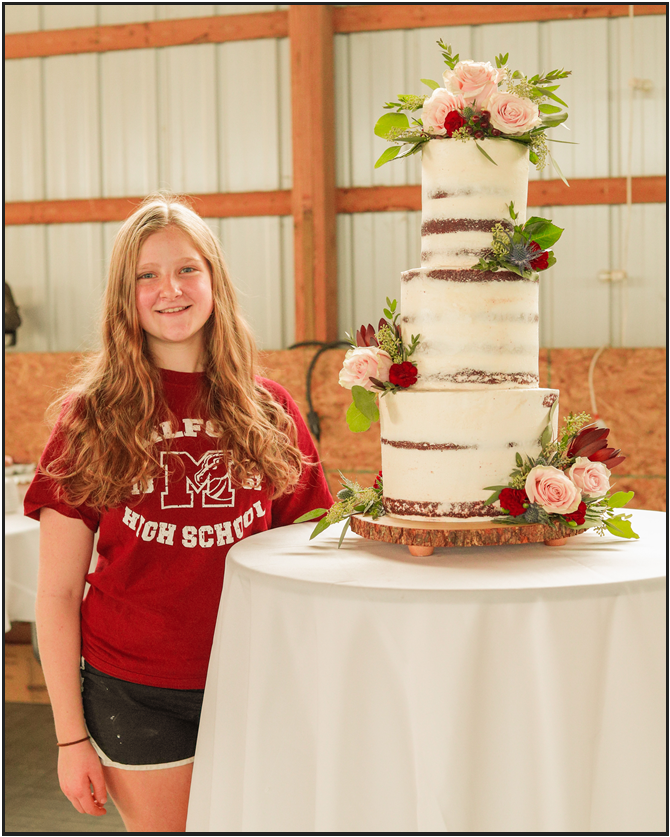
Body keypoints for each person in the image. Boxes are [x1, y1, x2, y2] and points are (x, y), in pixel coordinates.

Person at [24, 193, 333, 833]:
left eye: (187, 269)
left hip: (256, 679)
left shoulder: (268, 410)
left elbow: (311, 556)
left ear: (214, 280)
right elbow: (55, 594)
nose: (170, 289)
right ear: (124, 296)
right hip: (136, 690)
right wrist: (69, 738)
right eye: (147, 275)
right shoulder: (89, 420)